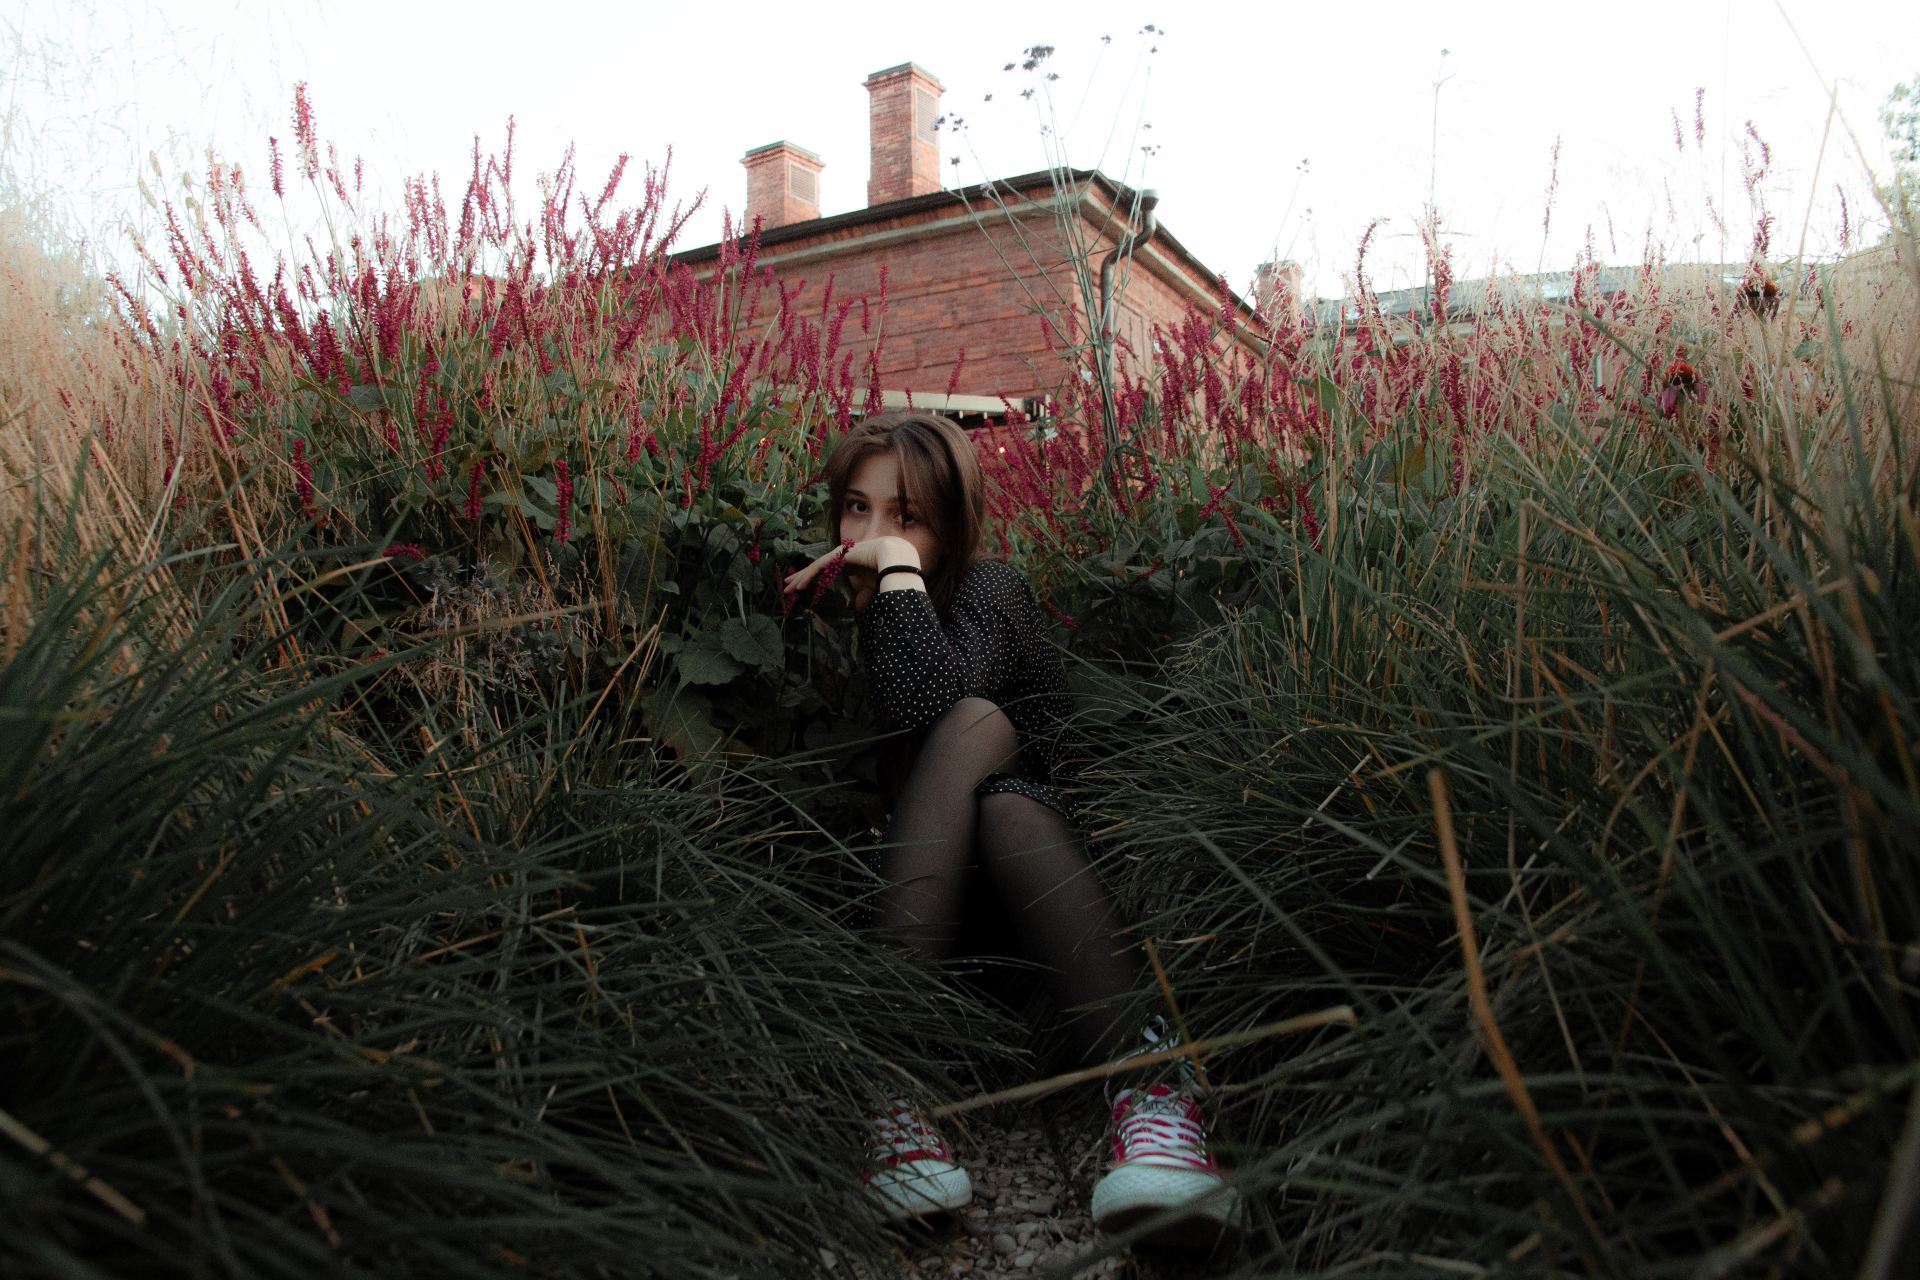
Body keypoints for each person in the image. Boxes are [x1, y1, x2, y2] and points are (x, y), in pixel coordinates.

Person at [781, 411, 1243, 1249]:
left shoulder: (993, 593)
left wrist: (890, 569)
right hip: (947, 976)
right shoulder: (824, 626)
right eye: (858, 510)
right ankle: (895, 1100)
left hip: (1056, 940)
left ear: (952, 531)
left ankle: (1153, 1095)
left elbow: (935, 702)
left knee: (982, 747)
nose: (874, 535)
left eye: (907, 517)